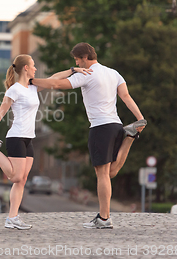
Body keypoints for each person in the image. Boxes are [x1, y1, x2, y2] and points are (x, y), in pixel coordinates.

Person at [30, 43, 146, 229]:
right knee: (110, 172)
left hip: (100, 127)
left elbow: (55, 84)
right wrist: (140, 118)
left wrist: (31, 81)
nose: (77, 63)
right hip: (115, 125)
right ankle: (129, 138)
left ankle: (104, 218)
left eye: (77, 60)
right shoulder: (113, 73)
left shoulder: (86, 74)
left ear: (84, 57)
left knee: (102, 174)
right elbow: (126, 96)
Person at [0, 54, 91, 230]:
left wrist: (72, 70)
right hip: (16, 136)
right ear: (25, 68)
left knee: (22, 180)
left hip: (29, 138)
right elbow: (0, 114)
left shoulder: (32, 87)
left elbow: (53, 79)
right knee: (15, 176)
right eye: (32, 65)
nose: (35, 68)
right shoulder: (14, 90)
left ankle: (12, 218)